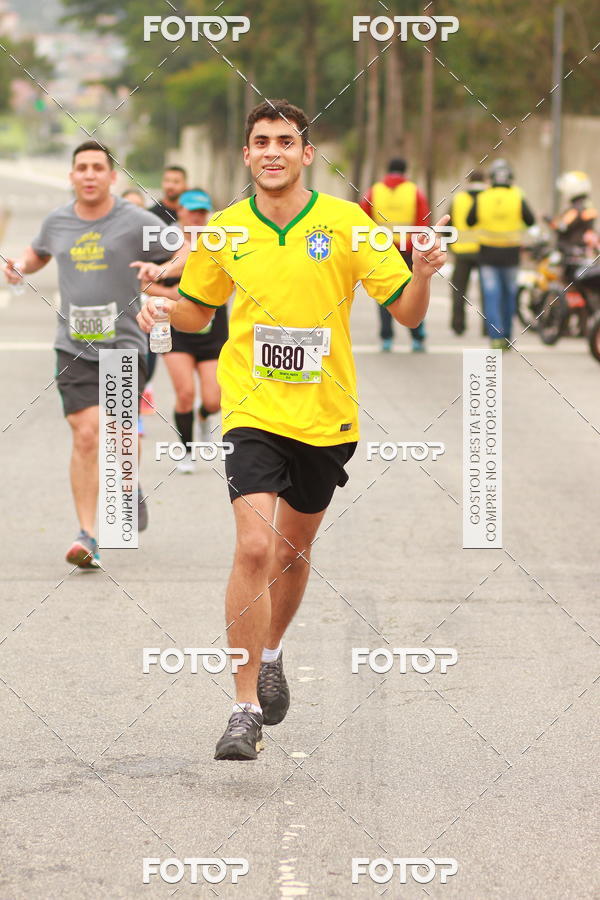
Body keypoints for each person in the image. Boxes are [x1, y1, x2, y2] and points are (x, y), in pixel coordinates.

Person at [137, 98, 448, 761]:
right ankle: (243, 705)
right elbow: (197, 312)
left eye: (285, 140)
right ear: (246, 155)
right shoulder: (223, 229)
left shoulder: (345, 224)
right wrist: (160, 307)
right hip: (251, 409)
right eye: (261, 141)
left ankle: (272, 652)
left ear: (307, 154)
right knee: (254, 547)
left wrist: (421, 274)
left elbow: (409, 311)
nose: (272, 150)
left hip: (326, 415)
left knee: (292, 553)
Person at [2, 140, 169, 567]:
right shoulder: (57, 221)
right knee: (87, 433)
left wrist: (160, 271)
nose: (90, 174)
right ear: (72, 176)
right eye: (82, 168)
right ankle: (88, 535)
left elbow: (184, 250)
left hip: (124, 342)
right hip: (73, 345)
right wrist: (20, 266)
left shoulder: (135, 220)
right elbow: (38, 253)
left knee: (116, 435)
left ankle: (127, 488)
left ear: (112, 177)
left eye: (98, 167)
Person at [134, 189, 228, 474]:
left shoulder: (218, 238)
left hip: (213, 329)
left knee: (214, 400)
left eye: (203, 212)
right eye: (192, 211)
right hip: (177, 331)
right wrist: (165, 285)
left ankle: (202, 417)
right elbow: (145, 283)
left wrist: (166, 284)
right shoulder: (166, 240)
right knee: (185, 393)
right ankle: (186, 450)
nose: (197, 217)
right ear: (182, 213)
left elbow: (193, 262)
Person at [360, 158, 430, 352]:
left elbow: (362, 218)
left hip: (381, 249)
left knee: (385, 292)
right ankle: (417, 337)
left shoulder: (374, 191)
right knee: (414, 291)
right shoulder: (414, 191)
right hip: (408, 250)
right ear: (405, 171)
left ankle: (386, 338)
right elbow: (422, 221)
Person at [467, 159, 535, 349]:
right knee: (509, 295)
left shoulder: (482, 197)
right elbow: (530, 221)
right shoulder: (517, 196)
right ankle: (507, 336)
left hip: (487, 255)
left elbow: (470, 220)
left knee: (491, 296)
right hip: (511, 255)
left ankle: (495, 337)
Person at [446, 170, 486, 335]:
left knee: (458, 290)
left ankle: (458, 325)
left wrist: (450, 246)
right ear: (485, 180)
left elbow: (447, 224)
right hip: (485, 251)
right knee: (487, 292)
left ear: (468, 181)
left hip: (461, 251)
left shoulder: (458, 199)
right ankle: (487, 327)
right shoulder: (488, 198)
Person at [553, 171, 598, 281]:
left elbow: (562, 227)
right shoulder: (587, 205)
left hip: (573, 254)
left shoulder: (575, 209)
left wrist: (549, 220)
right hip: (584, 254)